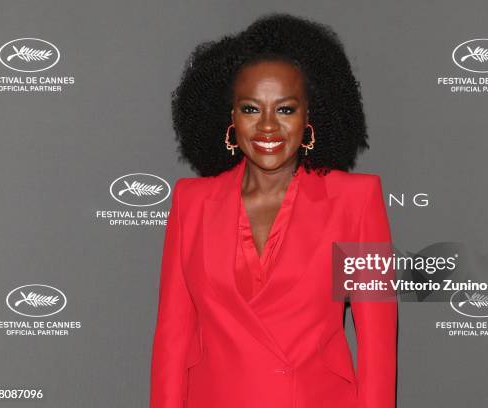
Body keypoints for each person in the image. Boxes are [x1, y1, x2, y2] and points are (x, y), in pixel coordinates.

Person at [150, 13, 397, 408]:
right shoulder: (190, 202)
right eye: (251, 109)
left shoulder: (358, 201)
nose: (267, 127)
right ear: (229, 117)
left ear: (309, 117)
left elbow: (378, 348)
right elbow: (171, 342)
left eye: (285, 110)